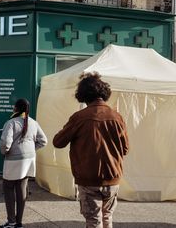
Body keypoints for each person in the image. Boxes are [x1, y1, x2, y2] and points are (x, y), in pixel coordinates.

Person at [52, 72, 130, 228]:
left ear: (82, 94)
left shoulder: (79, 117)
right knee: (107, 217)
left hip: (88, 178)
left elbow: (58, 142)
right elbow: (125, 148)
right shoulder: (117, 117)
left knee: (94, 221)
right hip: (113, 177)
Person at [0, 98, 48, 228]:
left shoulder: (11, 123)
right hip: (29, 160)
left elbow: (5, 144)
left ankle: (11, 221)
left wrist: (5, 152)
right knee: (21, 189)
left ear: (16, 109)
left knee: (8, 188)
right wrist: (31, 150)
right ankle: (19, 222)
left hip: (13, 160)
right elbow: (44, 141)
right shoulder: (33, 122)